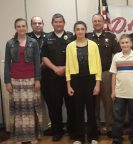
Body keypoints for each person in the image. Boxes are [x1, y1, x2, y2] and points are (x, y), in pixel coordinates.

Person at [4, 18, 42, 144]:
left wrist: (37, 80)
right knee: (18, 110)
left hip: (30, 80)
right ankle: (19, 137)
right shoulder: (10, 43)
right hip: (15, 81)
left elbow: (37, 63)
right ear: (16, 28)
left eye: (23, 26)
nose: (21, 28)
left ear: (27, 27)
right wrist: (7, 81)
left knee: (31, 109)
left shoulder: (33, 43)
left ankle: (32, 136)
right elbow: (7, 65)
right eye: (18, 26)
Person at [65, 21, 101, 144]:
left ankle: (93, 137)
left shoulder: (93, 45)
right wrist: (69, 84)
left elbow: (98, 65)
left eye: (82, 29)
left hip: (90, 80)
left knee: (91, 110)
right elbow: (68, 67)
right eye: (77, 29)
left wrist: (97, 84)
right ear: (75, 31)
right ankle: (79, 137)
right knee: (78, 110)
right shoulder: (70, 46)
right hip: (76, 80)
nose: (80, 31)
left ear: (86, 30)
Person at [41, 13, 74, 141]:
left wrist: (65, 68)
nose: (58, 24)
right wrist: (55, 68)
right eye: (56, 22)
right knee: (54, 106)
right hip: (52, 77)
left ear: (64, 23)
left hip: (69, 77)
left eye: (60, 22)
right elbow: (44, 57)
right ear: (52, 23)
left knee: (71, 105)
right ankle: (57, 131)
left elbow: (75, 55)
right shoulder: (46, 38)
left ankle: (72, 130)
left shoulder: (71, 36)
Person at [87, 14, 121, 137]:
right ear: (92, 23)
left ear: (103, 22)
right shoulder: (87, 37)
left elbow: (118, 54)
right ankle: (95, 127)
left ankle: (110, 127)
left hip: (106, 73)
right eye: (94, 21)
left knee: (108, 102)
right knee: (93, 103)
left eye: (99, 21)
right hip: (91, 75)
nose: (97, 23)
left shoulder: (111, 37)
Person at [110, 34, 133, 144]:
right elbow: (113, 75)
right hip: (119, 93)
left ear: (131, 44)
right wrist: (113, 91)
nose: (125, 44)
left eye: (127, 42)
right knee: (118, 117)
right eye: (123, 43)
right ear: (120, 44)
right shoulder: (116, 57)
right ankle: (117, 137)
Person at [27, 16, 52, 134]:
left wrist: (42, 64)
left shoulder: (49, 37)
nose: (37, 25)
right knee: (33, 104)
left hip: (47, 75)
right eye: (35, 23)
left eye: (40, 23)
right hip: (30, 76)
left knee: (51, 103)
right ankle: (35, 129)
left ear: (43, 24)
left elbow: (51, 55)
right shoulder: (26, 38)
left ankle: (49, 127)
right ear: (31, 25)